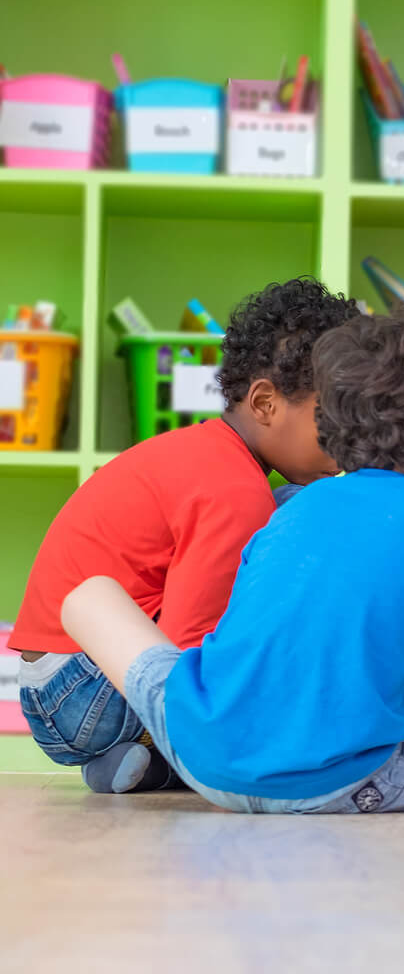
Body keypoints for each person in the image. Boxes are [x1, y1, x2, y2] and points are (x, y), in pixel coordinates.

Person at [60, 304, 404, 814]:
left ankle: (152, 763)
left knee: (91, 596)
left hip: (203, 749)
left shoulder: (288, 506)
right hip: (342, 780)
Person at [10, 278, 360, 793]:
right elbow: (188, 645)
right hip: (83, 691)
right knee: (301, 517)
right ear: (265, 403)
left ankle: (139, 762)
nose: (347, 446)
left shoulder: (207, 455)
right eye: (332, 423)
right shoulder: (235, 491)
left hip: (59, 691)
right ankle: (191, 755)